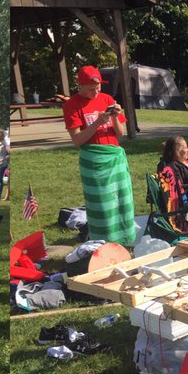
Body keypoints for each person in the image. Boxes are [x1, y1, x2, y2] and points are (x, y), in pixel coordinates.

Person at [62, 65, 135, 248]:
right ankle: (102, 242)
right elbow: (77, 140)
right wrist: (97, 122)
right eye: (91, 88)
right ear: (80, 85)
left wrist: (115, 118)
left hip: (114, 157)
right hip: (94, 161)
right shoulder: (72, 105)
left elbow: (120, 134)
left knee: (121, 201)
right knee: (101, 204)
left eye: (98, 87)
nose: (96, 91)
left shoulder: (107, 99)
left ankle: (125, 239)